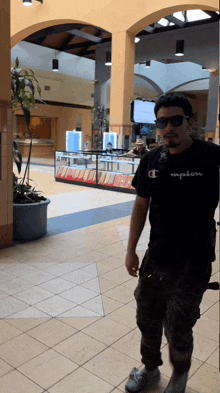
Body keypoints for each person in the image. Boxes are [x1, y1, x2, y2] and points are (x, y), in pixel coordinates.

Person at [125, 93, 220, 393]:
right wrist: (131, 250)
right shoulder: (152, 160)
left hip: (194, 259)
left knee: (180, 325)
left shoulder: (212, 157)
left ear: (190, 122)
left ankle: (180, 375)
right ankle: (150, 368)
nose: (169, 128)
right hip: (158, 256)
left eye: (176, 121)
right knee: (146, 318)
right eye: (162, 122)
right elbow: (141, 206)